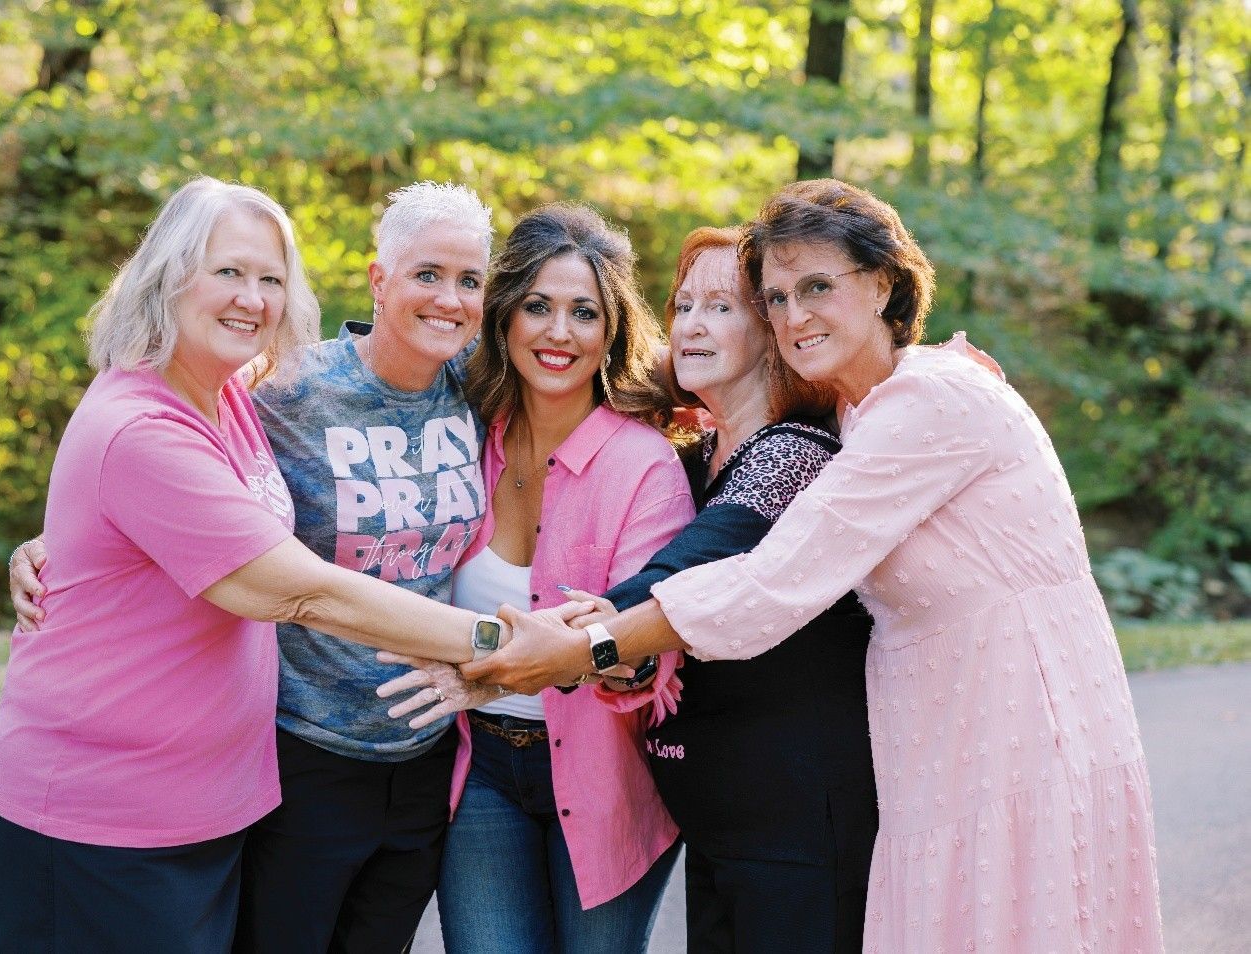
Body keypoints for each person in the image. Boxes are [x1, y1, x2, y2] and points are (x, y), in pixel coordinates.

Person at [466, 179, 1166, 953]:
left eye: (817, 288)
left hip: (1020, 726)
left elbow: (770, 585)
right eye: (776, 297)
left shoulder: (927, 404)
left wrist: (588, 646)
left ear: (885, 284)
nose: (794, 314)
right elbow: (660, 357)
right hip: (931, 741)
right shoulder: (855, 409)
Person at [0, 177, 540, 953]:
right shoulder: (202, 410)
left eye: (270, 279)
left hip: (227, 795)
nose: (252, 298)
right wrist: (506, 644)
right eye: (229, 272)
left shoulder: (232, 400)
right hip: (113, 803)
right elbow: (298, 591)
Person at [378, 204, 691, 953]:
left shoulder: (644, 465)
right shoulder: (464, 435)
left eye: (584, 312)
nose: (559, 332)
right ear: (504, 316)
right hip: (481, 769)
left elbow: (643, 646)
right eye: (537, 307)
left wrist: (603, 653)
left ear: (611, 331)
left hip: (606, 780)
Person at [589, 225, 877, 952]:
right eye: (683, 305)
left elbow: (683, 572)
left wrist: (578, 637)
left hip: (796, 827)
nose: (690, 325)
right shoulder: (694, 455)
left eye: (720, 307)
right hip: (721, 821)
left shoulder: (798, 455)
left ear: (775, 329)